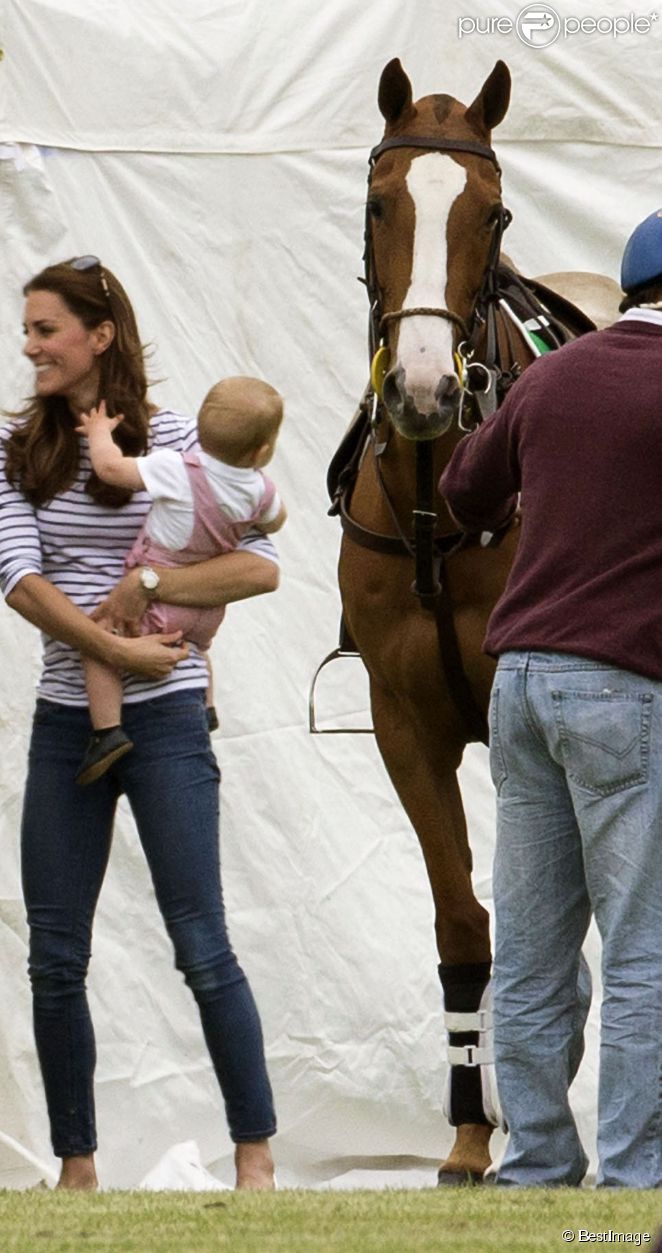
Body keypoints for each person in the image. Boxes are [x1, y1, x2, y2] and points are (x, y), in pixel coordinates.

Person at [0, 256, 278, 1190]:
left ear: (99, 336)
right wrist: (113, 648)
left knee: (203, 943)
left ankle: (257, 1159)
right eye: (27, 330)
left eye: (46, 329)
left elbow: (259, 566)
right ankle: (76, 1167)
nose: (29, 345)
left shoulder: (183, 438)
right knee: (54, 955)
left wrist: (148, 586)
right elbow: (18, 580)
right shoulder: (15, 449)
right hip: (64, 723)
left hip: (166, 726)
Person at [439, 209, 662, 1189]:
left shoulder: (552, 374)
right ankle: (632, 1169)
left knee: (529, 946)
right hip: (623, 682)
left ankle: (531, 1161)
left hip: (520, 681)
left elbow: (460, 491)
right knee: (643, 946)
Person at [72, 376, 287, 784]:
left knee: (98, 638)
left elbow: (110, 469)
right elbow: (276, 521)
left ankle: (106, 732)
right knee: (195, 649)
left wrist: (99, 433)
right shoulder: (261, 490)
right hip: (206, 607)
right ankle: (206, 707)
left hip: (160, 600)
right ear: (262, 451)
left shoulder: (177, 469)